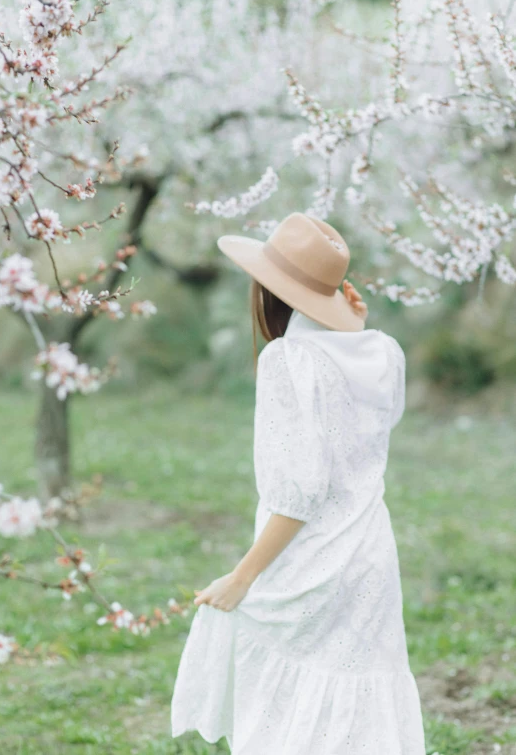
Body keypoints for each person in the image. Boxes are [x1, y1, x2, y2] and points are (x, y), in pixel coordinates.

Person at [170, 212, 426, 754]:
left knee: (288, 714)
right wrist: (352, 325)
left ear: (267, 290)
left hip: (309, 558)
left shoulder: (289, 360)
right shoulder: (384, 352)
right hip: (369, 556)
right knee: (356, 711)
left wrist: (243, 576)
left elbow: (298, 494)